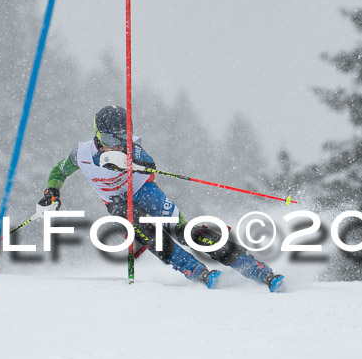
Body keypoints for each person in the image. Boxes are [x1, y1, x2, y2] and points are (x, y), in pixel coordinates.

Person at [36, 105, 284, 292]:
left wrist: (130, 162)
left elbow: (150, 164)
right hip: (117, 202)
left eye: (121, 138)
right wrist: (52, 192)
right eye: (110, 139)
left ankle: (254, 268)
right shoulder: (81, 154)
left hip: (144, 190)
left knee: (186, 232)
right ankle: (194, 270)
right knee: (148, 232)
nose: (116, 145)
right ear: (97, 136)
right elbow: (59, 171)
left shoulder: (131, 147)